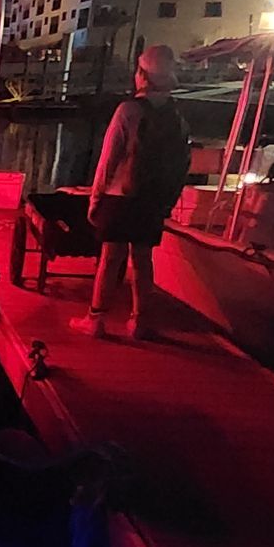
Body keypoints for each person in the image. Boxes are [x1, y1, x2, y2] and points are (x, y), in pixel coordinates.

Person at [70, 44, 189, 339]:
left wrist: (95, 197)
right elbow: (183, 161)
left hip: (120, 196)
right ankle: (140, 321)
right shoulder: (176, 116)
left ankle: (96, 319)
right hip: (151, 199)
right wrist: (168, 201)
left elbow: (108, 159)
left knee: (111, 258)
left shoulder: (128, 111)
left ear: (142, 75)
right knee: (143, 259)